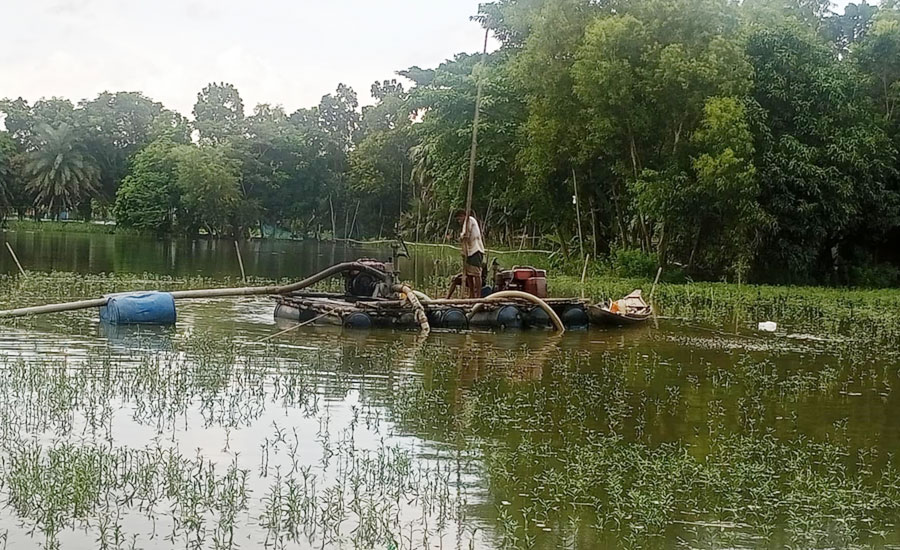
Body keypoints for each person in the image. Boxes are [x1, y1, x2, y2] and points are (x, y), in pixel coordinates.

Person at [447, 209, 485, 298]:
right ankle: (471, 294)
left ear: (463, 216)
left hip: (475, 250)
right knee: (468, 274)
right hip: (468, 252)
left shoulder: (469, 220)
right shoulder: (465, 224)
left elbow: (465, 235)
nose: (459, 221)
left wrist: (461, 236)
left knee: (476, 274)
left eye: (459, 219)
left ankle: (478, 296)